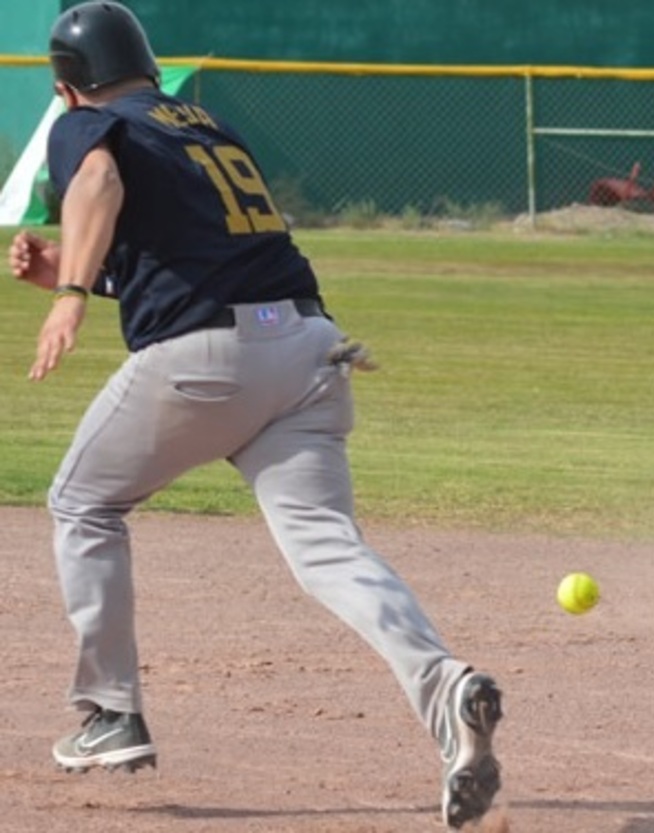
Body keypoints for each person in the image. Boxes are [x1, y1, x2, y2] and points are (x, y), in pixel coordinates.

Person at [7, 3, 503, 827]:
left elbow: (98, 182)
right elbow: (200, 258)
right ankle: (446, 686)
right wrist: (85, 272)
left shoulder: (88, 121)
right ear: (148, 67)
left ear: (67, 88)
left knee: (83, 502)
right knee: (328, 548)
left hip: (207, 359)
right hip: (310, 348)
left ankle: (110, 713)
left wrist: (69, 293)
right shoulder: (205, 126)